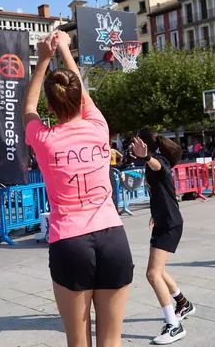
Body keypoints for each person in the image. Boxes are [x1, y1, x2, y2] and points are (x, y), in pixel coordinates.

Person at [23, 30, 134, 347]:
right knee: (111, 341)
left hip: (70, 242)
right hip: (113, 237)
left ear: (50, 104)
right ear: (78, 99)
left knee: (78, 342)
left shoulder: (44, 139)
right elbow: (84, 97)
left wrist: (43, 59)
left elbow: (28, 107)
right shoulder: (99, 126)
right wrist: (64, 50)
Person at [130, 129, 193, 345]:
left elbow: (159, 168)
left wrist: (146, 156)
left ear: (145, 144)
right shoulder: (150, 163)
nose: (132, 145)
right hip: (163, 222)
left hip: (170, 225)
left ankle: (174, 326)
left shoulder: (159, 161)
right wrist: (154, 214)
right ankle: (183, 304)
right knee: (159, 271)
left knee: (152, 274)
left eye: (136, 141)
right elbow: (159, 193)